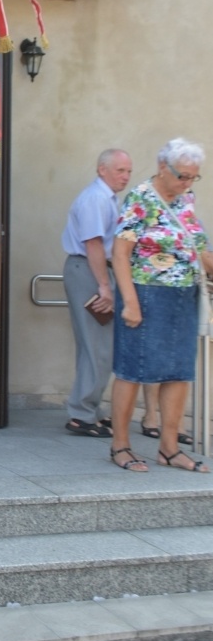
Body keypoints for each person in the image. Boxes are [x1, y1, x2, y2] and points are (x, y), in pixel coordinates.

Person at [110, 138, 212, 473]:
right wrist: (130, 302)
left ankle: (169, 449)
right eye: (182, 176)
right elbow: (120, 254)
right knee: (132, 371)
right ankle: (120, 446)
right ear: (162, 167)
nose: (186, 183)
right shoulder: (141, 198)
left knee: (178, 373)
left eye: (193, 177)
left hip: (183, 295)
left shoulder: (186, 199)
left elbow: (199, 247)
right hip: (146, 293)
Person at [61, 149, 132, 437]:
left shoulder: (105, 198)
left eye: (128, 171)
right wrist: (104, 287)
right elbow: (93, 245)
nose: (126, 176)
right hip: (90, 272)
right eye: (120, 170)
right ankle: (82, 414)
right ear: (102, 169)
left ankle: (90, 409)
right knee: (98, 346)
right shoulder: (96, 199)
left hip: (92, 270)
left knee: (96, 345)